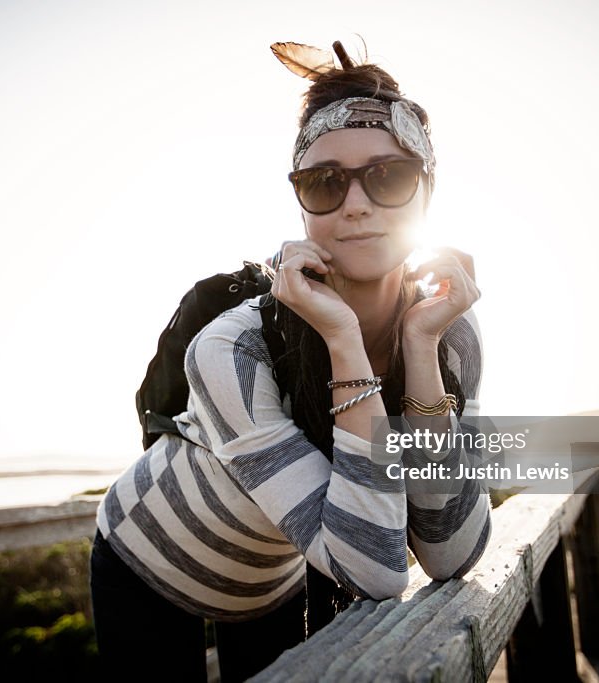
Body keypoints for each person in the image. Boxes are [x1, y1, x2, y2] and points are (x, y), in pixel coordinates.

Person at [90, 39, 491, 682]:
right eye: (325, 182)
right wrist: (343, 341)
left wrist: (419, 351)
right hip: (146, 560)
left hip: (272, 578)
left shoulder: (449, 331)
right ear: (301, 200)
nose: (355, 203)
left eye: (389, 176)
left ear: (427, 190)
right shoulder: (233, 347)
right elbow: (379, 570)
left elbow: (447, 551)